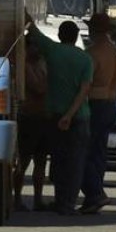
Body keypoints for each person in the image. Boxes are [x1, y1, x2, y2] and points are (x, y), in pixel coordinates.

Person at [25, 14, 92, 215]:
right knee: (75, 162)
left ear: (60, 36)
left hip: (55, 116)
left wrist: (25, 11)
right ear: (76, 36)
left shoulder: (52, 51)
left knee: (59, 161)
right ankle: (68, 203)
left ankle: (60, 199)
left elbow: (33, 31)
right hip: (79, 117)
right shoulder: (85, 59)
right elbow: (84, 91)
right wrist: (70, 115)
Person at [79, 13, 116, 214]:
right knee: (99, 152)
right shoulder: (115, 53)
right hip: (110, 103)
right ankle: (95, 193)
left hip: (95, 104)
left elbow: (86, 84)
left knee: (85, 151)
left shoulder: (92, 53)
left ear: (94, 30)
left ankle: (95, 193)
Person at [14, 38, 50, 211]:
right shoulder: (25, 66)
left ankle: (38, 199)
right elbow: (39, 87)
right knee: (24, 161)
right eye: (34, 46)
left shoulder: (42, 63)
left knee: (41, 162)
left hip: (43, 118)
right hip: (28, 117)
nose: (38, 50)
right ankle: (17, 198)